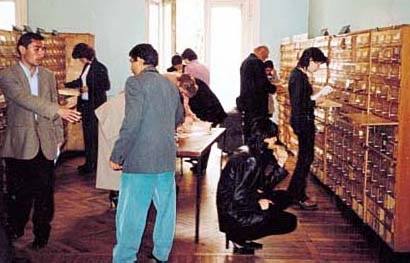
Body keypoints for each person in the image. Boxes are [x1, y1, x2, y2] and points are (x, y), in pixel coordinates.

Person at [0, 32, 81, 250]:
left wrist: (58, 139)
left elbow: (53, 105)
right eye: (37, 48)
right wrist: (59, 110)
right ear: (21, 50)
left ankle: (41, 235)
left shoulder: (47, 75)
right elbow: (25, 100)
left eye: (43, 49)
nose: (42, 53)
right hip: (20, 144)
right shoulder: (8, 75)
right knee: (19, 194)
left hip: (45, 143)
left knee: (45, 194)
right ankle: (15, 228)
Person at [109, 43, 184, 262]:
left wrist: (117, 153)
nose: (131, 66)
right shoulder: (170, 84)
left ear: (140, 60)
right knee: (166, 210)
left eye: (131, 61)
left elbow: (131, 122)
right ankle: (161, 254)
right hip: (166, 156)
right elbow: (178, 117)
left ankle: (124, 258)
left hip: (141, 159)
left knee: (131, 212)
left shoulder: (135, 83)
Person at [216, 118, 296, 254]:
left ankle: (240, 236)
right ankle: (239, 235)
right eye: (272, 136)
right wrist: (259, 204)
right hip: (234, 214)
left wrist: (280, 164)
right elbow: (238, 196)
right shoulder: (250, 160)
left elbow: (262, 186)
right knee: (289, 222)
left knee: (286, 197)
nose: (275, 139)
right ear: (264, 138)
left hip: (234, 208)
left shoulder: (251, 152)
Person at [287, 47, 328, 210]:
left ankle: (294, 192)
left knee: (305, 158)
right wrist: (317, 99)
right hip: (303, 122)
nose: (318, 67)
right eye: (317, 63)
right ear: (309, 60)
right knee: (305, 159)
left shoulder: (299, 75)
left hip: (302, 120)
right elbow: (300, 104)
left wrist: (315, 98)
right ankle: (298, 195)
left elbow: (302, 99)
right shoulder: (298, 77)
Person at [64, 43, 110, 174]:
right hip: (85, 106)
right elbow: (81, 81)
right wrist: (66, 85)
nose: (80, 61)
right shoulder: (86, 66)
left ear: (86, 55)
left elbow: (106, 86)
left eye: (81, 58)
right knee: (87, 136)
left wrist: (90, 89)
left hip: (94, 106)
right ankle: (89, 162)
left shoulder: (100, 67)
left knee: (94, 136)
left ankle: (93, 164)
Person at [177, 73, 227, 174]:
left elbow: (197, 112)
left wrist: (197, 121)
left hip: (212, 113)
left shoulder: (199, 92)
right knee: (202, 138)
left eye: (184, 93)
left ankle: (201, 165)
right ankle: (199, 163)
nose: (183, 94)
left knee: (205, 140)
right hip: (207, 112)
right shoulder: (191, 84)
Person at [237, 45, 276, 143]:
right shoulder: (256, 63)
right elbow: (262, 84)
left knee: (248, 129)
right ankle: (256, 152)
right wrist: (275, 88)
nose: (266, 58)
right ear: (261, 52)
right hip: (256, 105)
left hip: (247, 104)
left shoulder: (245, 62)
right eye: (266, 55)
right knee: (258, 130)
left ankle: (248, 151)